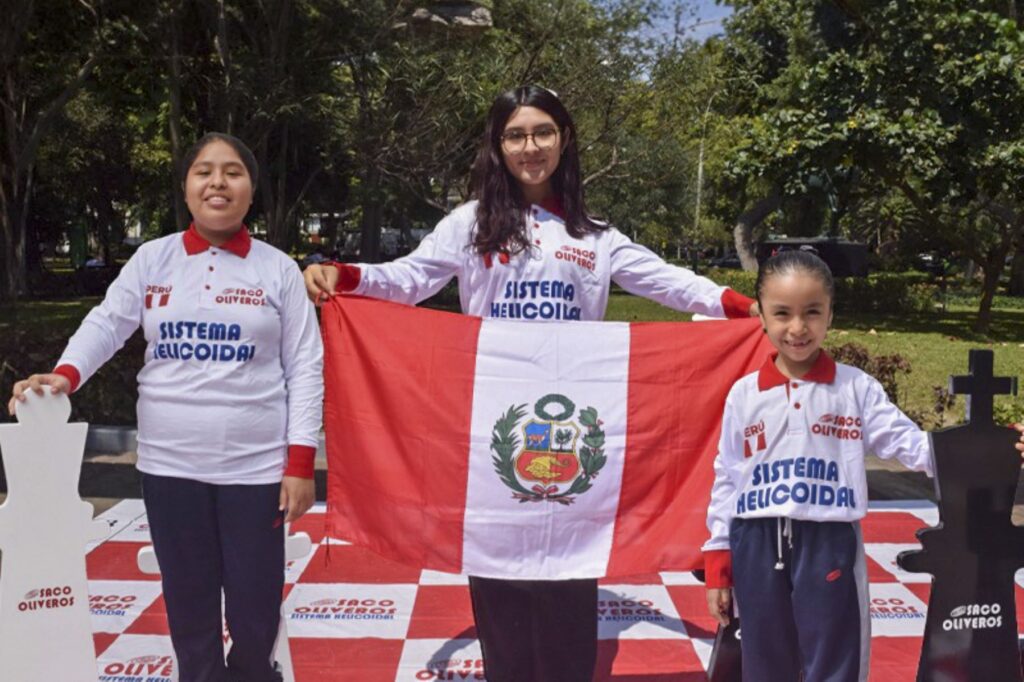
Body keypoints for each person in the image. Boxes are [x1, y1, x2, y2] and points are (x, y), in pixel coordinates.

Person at [303, 84, 758, 682]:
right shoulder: (469, 224)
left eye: (543, 132)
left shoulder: (594, 234)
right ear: (498, 146)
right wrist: (347, 275)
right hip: (495, 428)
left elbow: (668, 282)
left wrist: (744, 308)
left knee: (572, 569)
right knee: (499, 573)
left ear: (564, 140)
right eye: (515, 135)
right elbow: (410, 278)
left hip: (574, 429)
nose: (530, 146)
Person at [9, 132, 323, 682]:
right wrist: (64, 375)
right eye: (204, 171)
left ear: (252, 190)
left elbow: (306, 367)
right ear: (186, 186)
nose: (218, 182)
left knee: (254, 611)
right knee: (189, 606)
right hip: (170, 468)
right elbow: (107, 323)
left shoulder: (278, 270)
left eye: (233, 172)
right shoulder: (154, 259)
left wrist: (300, 464)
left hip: (255, 472)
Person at [701, 250, 1024, 682]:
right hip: (755, 543)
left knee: (835, 661)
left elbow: (912, 446)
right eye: (782, 314)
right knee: (763, 662)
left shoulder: (855, 389)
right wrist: (719, 558)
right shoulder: (744, 394)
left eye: (812, 312)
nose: (797, 328)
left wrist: (996, 448)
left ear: (830, 314)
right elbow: (728, 476)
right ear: (761, 315)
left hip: (829, 541)